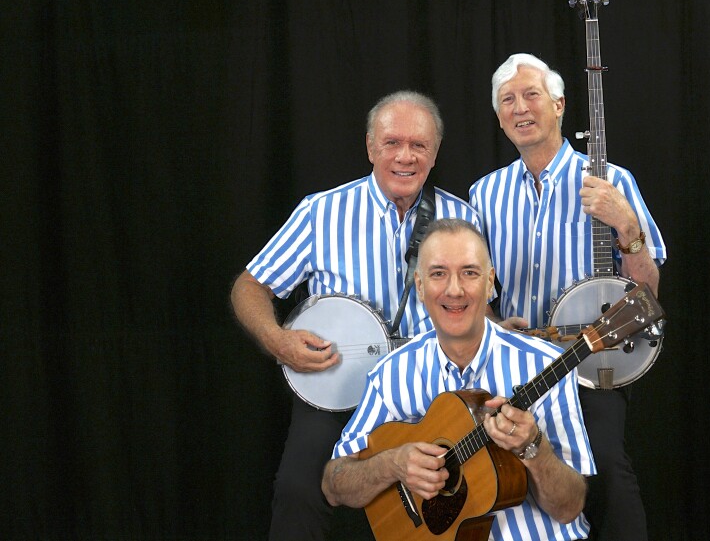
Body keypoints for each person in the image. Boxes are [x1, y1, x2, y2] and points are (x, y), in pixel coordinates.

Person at [230, 91, 482, 541]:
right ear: (370, 147)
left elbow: (478, 310)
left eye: (418, 146)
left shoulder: (462, 220)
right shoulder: (321, 212)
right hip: (335, 394)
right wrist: (276, 339)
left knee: (461, 495)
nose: (405, 156)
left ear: (435, 152)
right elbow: (249, 286)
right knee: (297, 490)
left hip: (428, 393)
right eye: (392, 143)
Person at [469, 53, 667, 541]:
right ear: (498, 118)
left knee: (606, 478)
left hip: (587, 364)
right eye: (508, 100)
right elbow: (474, 289)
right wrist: (493, 324)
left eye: (531, 95)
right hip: (518, 368)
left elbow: (647, 295)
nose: (520, 108)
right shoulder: (484, 194)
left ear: (558, 105)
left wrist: (627, 224)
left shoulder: (611, 181)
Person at [321, 218, 595, 540]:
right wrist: (393, 464)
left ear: (490, 283)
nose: (454, 290)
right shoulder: (391, 374)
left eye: (470, 272)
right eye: (439, 274)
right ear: (420, 287)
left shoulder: (545, 364)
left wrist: (532, 446)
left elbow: (569, 507)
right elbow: (334, 483)